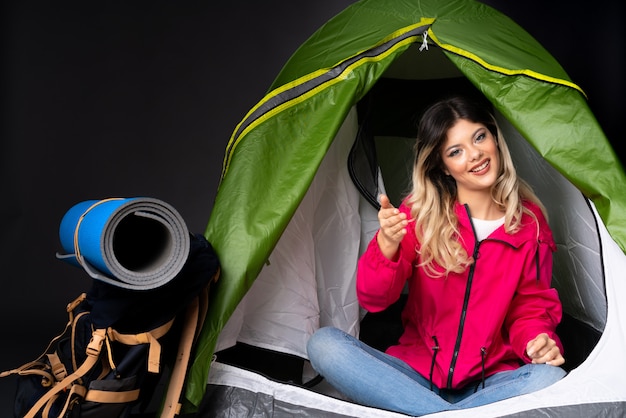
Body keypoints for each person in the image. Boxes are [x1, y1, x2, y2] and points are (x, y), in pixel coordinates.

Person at [306, 96, 566, 416]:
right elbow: (374, 299)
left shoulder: (530, 222)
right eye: (456, 151)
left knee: (549, 378)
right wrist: (386, 244)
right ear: (443, 165)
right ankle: (454, 413)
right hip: (415, 375)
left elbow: (531, 306)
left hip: (493, 381)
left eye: (479, 137)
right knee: (324, 345)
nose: (475, 155)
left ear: (495, 138)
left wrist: (537, 340)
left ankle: (425, 413)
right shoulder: (419, 214)